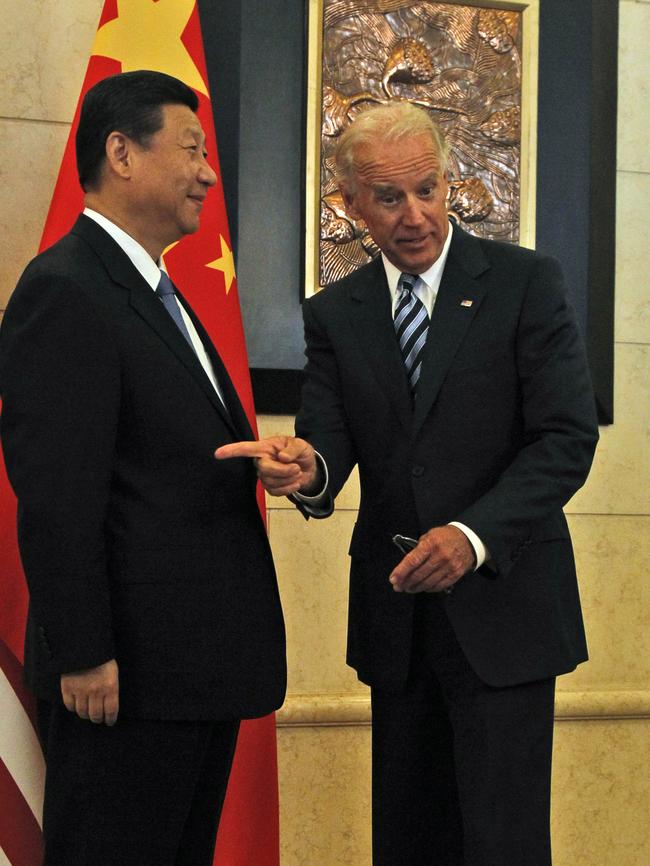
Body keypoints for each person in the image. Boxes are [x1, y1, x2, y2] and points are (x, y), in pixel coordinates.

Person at [217, 102, 599, 865]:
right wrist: (307, 471)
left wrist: (471, 536)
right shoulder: (336, 312)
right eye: (389, 198)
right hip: (400, 621)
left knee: (503, 843)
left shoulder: (525, 282)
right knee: (408, 838)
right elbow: (330, 444)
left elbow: (565, 439)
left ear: (449, 181)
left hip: (507, 614)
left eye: (427, 189)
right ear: (351, 204)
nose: (415, 214)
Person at [0, 70, 286, 866]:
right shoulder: (66, 290)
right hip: (122, 681)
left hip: (191, 671)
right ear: (121, 154)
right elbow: (58, 494)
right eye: (191, 148)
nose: (208, 171)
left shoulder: (156, 289)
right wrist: (87, 649)